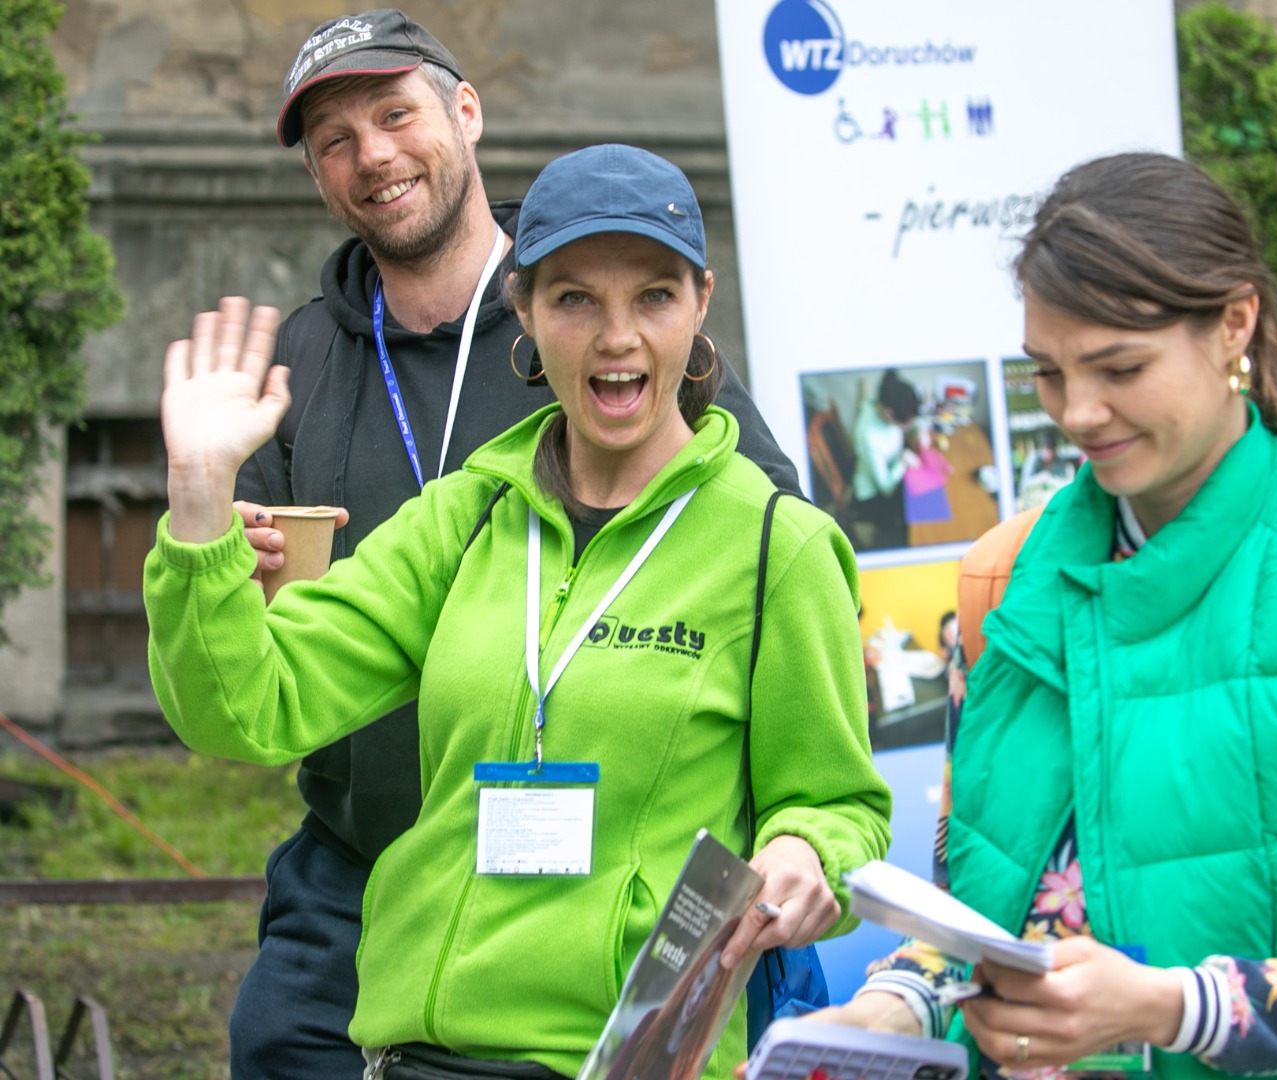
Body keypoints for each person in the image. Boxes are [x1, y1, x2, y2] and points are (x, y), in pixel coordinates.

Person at [145, 143, 891, 1078]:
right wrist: (199, 493)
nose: (617, 336)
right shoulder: (467, 516)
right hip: (411, 1056)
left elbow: (837, 806)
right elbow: (248, 706)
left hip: (620, 1061)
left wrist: (806, 852)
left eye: (653, 297)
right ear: (525, 312)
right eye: (576, 298)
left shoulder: (777, 544)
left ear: (701, 304)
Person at [814, 152, 1277, 1079]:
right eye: (1047, 372)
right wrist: (901, 1005)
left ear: (1233, 324)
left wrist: (1177, 1008)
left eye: (1120, 367)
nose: (1078, 412)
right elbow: (981, 921)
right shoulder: (999, 587)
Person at [229, 11, 801, 1077]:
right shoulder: (298, 354)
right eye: (336, 141)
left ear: (466, 114)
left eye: (395, 115)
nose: (374, 157)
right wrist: (228, 553)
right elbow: (253, 634)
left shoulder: (604, 316)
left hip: (578, 889)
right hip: (359, 859)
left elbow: (758, 539)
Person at [606, 918, 745, 1080]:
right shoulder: (652, 1023)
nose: (696, 998)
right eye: (699, 980)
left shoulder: (697, 1053)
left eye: (707, 992)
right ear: (692, 977)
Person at [848, 370, 921, 550]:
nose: (909, 426)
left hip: (889, 470)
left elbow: (905, 420)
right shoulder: (870, 437)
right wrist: (903, 461)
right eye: (906, 423)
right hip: (871, 496)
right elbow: (887, 488)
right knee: (913, 515)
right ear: (888, 415)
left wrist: (920, 431)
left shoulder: (881, 401)